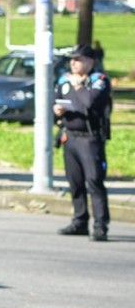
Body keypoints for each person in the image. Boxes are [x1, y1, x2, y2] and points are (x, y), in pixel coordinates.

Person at [54, 45, 110, 241]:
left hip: (90, 138)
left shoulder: (98, 81)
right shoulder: (64, 81)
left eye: (78, 60)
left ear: (90, 62)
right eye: (72, 60)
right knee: (75, 182)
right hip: (70, 136)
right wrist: (58, 111)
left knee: (94, 181)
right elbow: (58, 100)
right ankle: (80, 221)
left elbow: (89, 102)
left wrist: (79, 86)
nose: (73, 63)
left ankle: (100, 225)